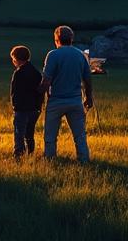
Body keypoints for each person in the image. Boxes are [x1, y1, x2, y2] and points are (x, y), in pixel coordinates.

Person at [39, 25, 94, 162]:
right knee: (80, 135)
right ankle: (83, 160)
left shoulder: (53, 55)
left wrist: (39, 96)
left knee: (50, 136)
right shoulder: (80, 55)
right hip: (75, 100)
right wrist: (88, 96)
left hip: (56, 100)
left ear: (56, 39)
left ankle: (50, 160)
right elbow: (87, 79)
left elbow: (46, 80)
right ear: (71, 39)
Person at [9, 45, 43, 156]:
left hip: (22, 108)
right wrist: (39, 106)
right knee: (30, 132)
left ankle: (19, 153)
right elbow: (40, 90)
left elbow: (14, 91)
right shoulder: (36, 72)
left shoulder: (18, 73)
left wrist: (14, 105)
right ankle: (31, 152)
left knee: (19, 133)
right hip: (34, 108)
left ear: (16, 59)